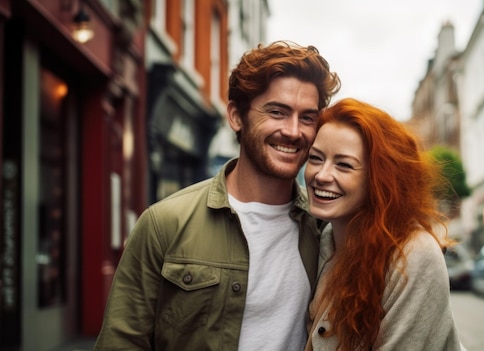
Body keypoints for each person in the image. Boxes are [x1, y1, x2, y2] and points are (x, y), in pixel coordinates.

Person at [94, 41, 341, 350]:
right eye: (277, 112)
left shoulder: (327, 231)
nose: (294, 131)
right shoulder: (164, 224)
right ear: (236, 116)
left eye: (307, 117)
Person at [304, 98, 464, 350]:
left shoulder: (412, 253)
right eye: (315, 158)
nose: (321, 175)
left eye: (344, 165)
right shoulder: (325, 239)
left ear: (379, 179)